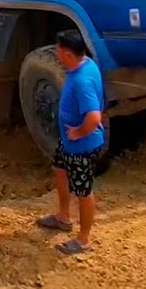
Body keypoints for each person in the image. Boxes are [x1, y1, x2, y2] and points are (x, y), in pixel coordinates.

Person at [36, 30, 106, 255]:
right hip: (69, 143)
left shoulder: (82, 81)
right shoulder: (85, 66)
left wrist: (78, 132)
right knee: (59, 168)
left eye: (58, 49)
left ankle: (83, 239)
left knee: (84, 192)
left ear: (67, 54)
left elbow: (94, 117)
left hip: (81, 146)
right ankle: (63, 217)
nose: (55, 53)